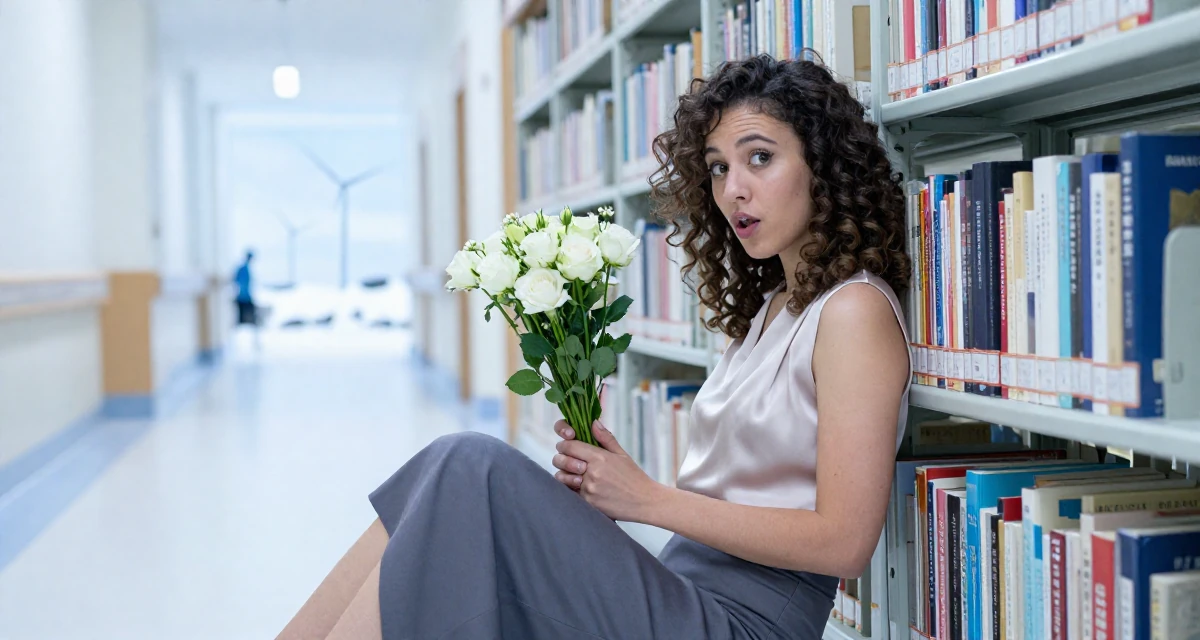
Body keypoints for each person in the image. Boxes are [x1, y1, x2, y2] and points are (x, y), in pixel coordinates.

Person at [276, 55, 912, 640]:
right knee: (440, 472)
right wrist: (610, 493)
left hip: (741, 623)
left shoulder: (853, 311)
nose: (732, 190)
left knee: (470, 465)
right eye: (718, 167)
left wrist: (648, 499)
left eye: (760, 158)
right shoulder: (772, 308)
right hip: (684, 586)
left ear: (823, 165)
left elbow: (845, 542)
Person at [233, 250, 261, 349]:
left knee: (250, 321)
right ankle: (234, 343)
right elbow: (239, 282)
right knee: (246, 321)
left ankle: (255, 342)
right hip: (243, 298)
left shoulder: (245, 268)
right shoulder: (243, 269)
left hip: (245, 297)